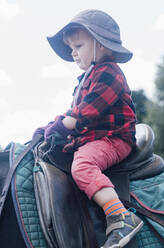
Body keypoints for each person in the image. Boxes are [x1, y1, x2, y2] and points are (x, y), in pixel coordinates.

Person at [33, 9, 143, 248]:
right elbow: (72, 114)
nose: (73, 53)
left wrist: (59, 127)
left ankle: (120, 216)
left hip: (114, 138)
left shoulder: (109, 73)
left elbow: (86, 113)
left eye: (79, 46)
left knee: (82, 166)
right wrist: (49, 127)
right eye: (71, 48)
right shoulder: (86, 78)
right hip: (94, 138)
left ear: (101, 45)